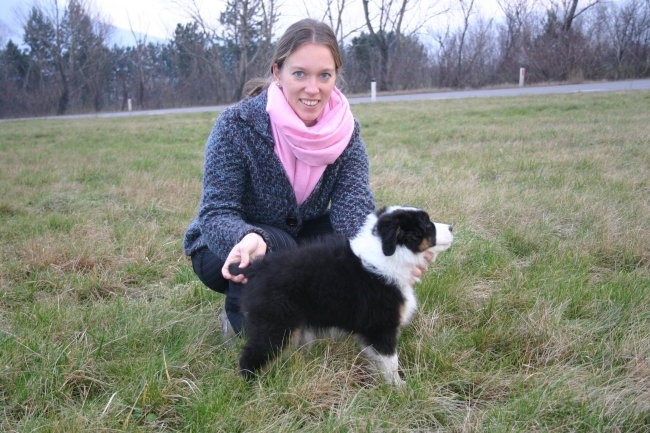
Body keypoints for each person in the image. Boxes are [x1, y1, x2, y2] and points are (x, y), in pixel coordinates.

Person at [183, 18, 430, 335]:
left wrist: (388, 255)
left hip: (294, 240)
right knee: (277, 248)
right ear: (278, 73)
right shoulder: (236, 125)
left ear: (335, 77)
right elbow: (217, 211)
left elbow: (352, 209)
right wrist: (247, 236)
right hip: (225, 247)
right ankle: (240, 321)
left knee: (351, 241)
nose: (312, 89)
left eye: (324, 75)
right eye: (299, 73)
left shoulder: (346, 133)